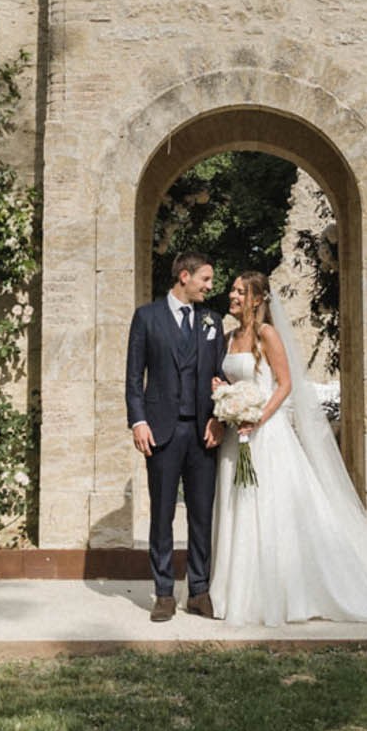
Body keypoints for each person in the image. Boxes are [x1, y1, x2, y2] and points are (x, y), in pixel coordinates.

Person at [210, 271, 367, 625]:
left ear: (256, 299)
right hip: (238, 438)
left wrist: (258, 418)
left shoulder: (267, 334)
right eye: (232, 290)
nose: (231, 294)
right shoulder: (229, 337)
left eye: (239, 291)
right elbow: (234, 380)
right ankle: (235, 594)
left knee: (270, 509)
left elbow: (284, 384)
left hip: (266, 435)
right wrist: (223, 392)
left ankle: (281, 596)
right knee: (239, 508)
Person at [125, 250, 228, 622]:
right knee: (162, 513)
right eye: (205, 278)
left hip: (203, 432)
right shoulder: (146, 317)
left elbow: (222, 375)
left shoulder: (211, 320)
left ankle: (199, 591)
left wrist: (219, 418)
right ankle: (164, 592)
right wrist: (138, 422)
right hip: (162, 431)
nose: (209, 286)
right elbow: (135, 377)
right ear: (184, 277)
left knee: (202, 514)